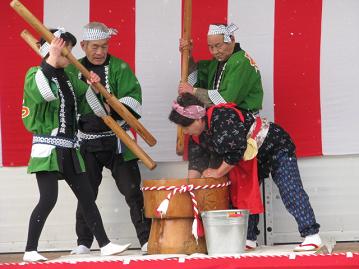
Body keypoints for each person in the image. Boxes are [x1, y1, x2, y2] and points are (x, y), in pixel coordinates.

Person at [21, 29, 131, 262]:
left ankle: (105, 244)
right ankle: (30, 249)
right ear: (51, 50)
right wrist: (51, 57)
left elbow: (90, 102)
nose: (70, 56)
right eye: (66, 50)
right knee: (48, 199)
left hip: (70, 148)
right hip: (48, 148)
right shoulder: (35, 74)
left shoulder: (69, 78)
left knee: (87, 196)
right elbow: (44, 95)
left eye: (70, 51)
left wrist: (93, 84)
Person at [168, 93, 322, 252]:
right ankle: (248, 238)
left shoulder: (221, 117)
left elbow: (235, 150)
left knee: (289, 189)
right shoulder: (196, 136)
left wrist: (218, 172)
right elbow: (196, 164)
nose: (184, 132)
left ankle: (312, 234)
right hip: (251, 160)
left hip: (275, 146)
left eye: (185, 127)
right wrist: (191, 189)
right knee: (242, 194)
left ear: (198, 119)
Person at [66, 22, 150, 255]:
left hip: (117, 139)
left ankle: (146, 240)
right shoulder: (74, 69)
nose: (99, 52)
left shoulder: (120, 68)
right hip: (87, 141)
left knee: (133, 192)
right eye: (94, 47)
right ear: (83, 45)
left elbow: (134, 100)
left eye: (104, 46)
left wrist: (110, 105)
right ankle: (83, 242)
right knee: (86, 193)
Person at [178, 23, 263, 113]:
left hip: (241, 118)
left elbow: (226, 101)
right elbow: (197, 80)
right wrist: (188, 56)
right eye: (211, 47)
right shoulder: (216, 62)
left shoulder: (241, 62)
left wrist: (194, 91)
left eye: (218, 46)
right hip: (221, 116)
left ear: (232, 40)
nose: (214, 52)